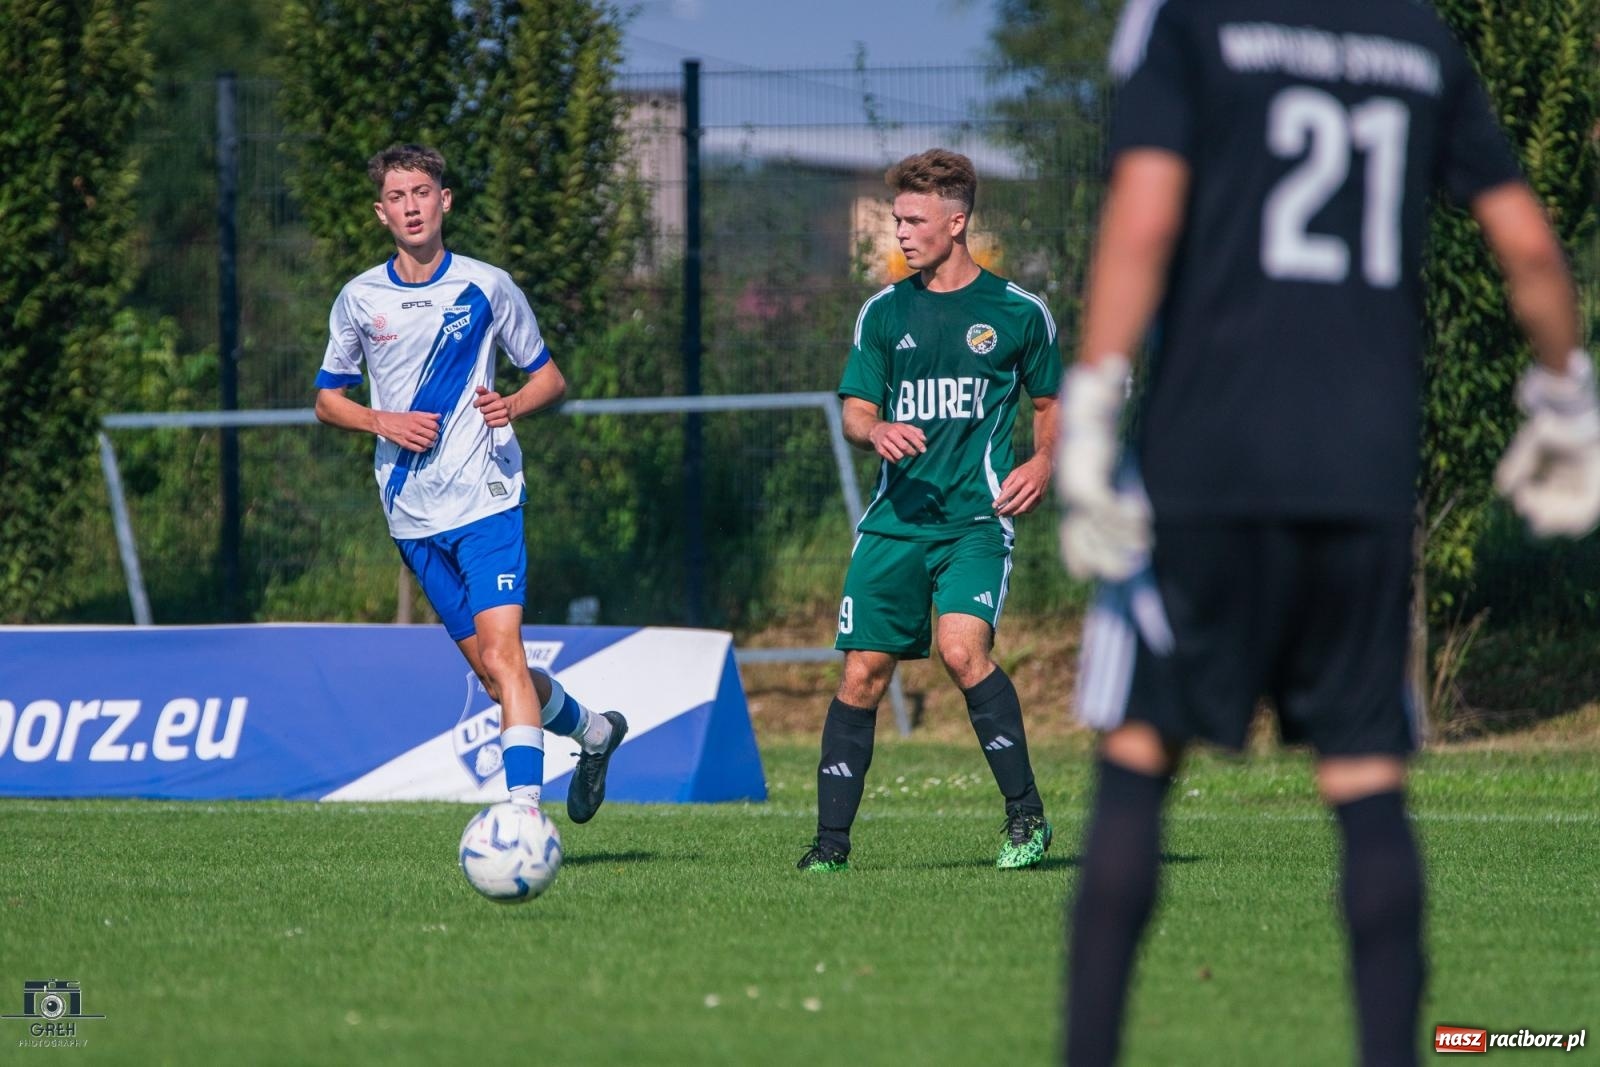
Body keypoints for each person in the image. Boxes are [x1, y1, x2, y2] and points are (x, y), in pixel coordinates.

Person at [1055, 1, 1600, 1064]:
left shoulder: (1193, 21)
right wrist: (1568, 398)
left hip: (1204, 461)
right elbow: (1529, 244)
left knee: (1137, 754)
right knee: (1364, 777)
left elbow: (1145, 220)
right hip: (1361, 470)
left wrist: (1089, 403)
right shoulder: (1416, 37)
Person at [314, 143, 629, 822]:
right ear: (381, 213)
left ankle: (522, 813)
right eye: (397, 197)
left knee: (503, 652)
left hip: (488, 498)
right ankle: (596, 732)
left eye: (422, 193)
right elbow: (327, 400)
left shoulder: (487, 286)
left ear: (444, 200)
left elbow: (549, 377)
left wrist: (511, 404)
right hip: (411, 514)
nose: (411, 207)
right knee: (492, 676)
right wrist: (381, 421)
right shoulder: (360, 298)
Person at [797, 148, 1064, 873]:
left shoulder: (1018, 312)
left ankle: (1026, 818)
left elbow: (1050, 402)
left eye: (914, 220)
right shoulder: (884, 311)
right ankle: (829, 849)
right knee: (862, 674)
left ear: (957, 221)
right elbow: (855, 409)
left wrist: (1043, 461)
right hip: (894, 523)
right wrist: (874, 428)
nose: (901, 233)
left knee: (961, 652)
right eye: (897, 219)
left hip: (976, 522)